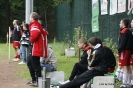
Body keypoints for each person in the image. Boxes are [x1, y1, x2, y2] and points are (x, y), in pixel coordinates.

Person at [26, 12, 48, 86]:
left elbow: (35, 33)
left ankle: (38, 81)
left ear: (32, 18)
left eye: (30, 17)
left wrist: (31, 40)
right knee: (30, 63)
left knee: (35, 65)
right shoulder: (36, 24)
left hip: (36, 48)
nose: (29, 18)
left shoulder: (35, 25)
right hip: (35, 47)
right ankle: (34, 80)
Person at [118, 18, 133, 88]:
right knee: (128, 67)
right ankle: (128, 82)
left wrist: (119, 50)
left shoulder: (124, 31)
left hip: (125, 51)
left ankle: (125, 83)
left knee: (125, 67)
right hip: (129, 50)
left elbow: (122, 42)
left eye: (120, 23)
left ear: (123, 24)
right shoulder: (129, 31)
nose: (119, 24)